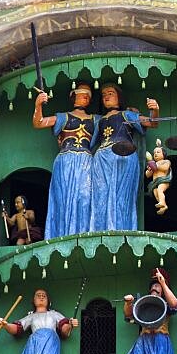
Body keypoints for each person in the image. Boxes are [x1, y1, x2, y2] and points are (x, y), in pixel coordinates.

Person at [90, 83, 159, 232]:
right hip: (101, 161)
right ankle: (101, 230)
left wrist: (155, 110)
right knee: (100, 196)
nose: (106, 97)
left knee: (122, 196)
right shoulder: (100, 121)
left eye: (110, 93)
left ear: (119, 98)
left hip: (123, 156)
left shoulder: (127, 115)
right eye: (103, 95)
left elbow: (152, 123)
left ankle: (122, 229)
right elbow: (90, 144)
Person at [33, 83, 98, 239]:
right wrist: (38, 105)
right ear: (73, 96)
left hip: (86, 161)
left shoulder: (96, 119)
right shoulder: (63, 117)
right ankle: (62, 235)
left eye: (88, 95)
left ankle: (83, 234)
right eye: (82, 93)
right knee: (63, 198)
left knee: (85, 198)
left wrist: (131, 112)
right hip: (65, 160)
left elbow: (115, 122)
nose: (86, 96)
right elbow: (39, 122)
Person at [123, 268, 177, 354]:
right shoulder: (144, 303)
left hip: (160, 337)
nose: (155, 287)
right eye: (154, 285)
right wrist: (128, 303)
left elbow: (175, 304)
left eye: (158, 285)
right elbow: (129, 315)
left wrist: (163, 283)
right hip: (144, 338)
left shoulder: (165, 303)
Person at [144, 140, 173, 215]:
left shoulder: (166, 161)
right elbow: (147, 175)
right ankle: (163, 206)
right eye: (154, 153)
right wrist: (150, 169)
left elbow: (166, 168)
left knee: (160, 190)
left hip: (163, 181)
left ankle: (162, 203)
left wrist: (156, 166)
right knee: (156, 194)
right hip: (155, 182)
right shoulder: (153, 164)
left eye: (158, 152)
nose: (155, 154)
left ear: (163, 154)